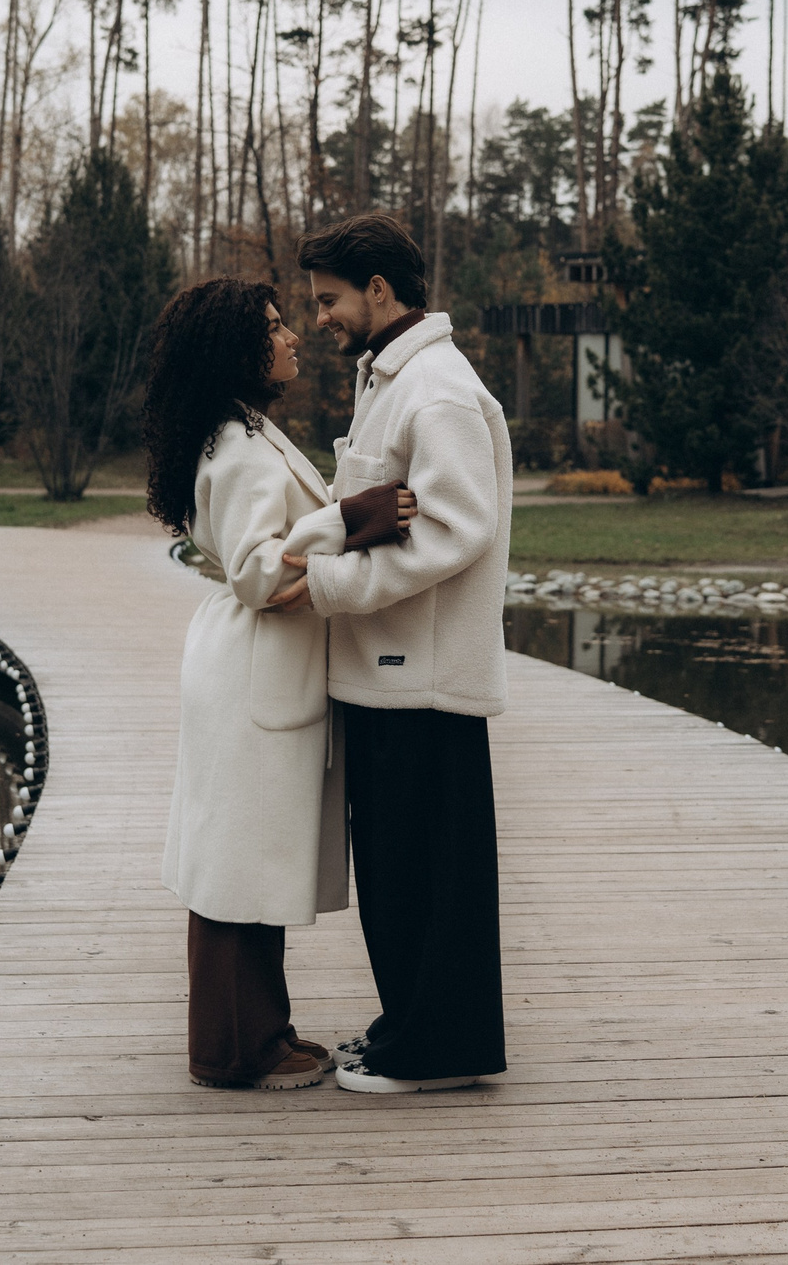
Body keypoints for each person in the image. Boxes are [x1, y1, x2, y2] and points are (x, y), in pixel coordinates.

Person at [146, 276, 415, 1091]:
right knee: (236, 867)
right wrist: (359, 518)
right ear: (236, 348)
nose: (294, 335)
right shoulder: (236, 449)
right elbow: (263, 573)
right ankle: (235, 1050)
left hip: (249, 670)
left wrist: (346, 519)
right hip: (254, 674)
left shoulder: (240, 433)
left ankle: (258, 1031)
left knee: (240, 860)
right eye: (272, 327)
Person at [272, 212, 514, 1095]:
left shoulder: (436, 389)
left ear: (381, 289)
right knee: (398, 868)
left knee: (427, 872)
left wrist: (330, 587)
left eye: (330, 299)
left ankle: (438, 1049)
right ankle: (409, 1024)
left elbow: (453, 529)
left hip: (422, 677)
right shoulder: (394, 378)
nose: (322, 316)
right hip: (387, 672)